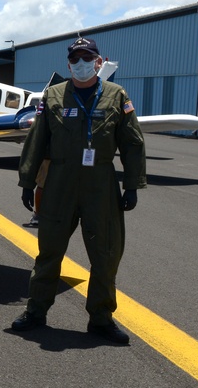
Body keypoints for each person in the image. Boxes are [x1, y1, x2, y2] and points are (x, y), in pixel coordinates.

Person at [11, 37, 145, 345]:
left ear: (98, 62)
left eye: (88, 58)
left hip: (100, 183)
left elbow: (132, 142)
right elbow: (37, 139)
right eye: (76, 59)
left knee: (106, 254)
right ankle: (36, 311)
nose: (81, 64)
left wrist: (133, 184)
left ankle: (100, 318)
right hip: (60, 182)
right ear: (69, 64)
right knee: (49, 251)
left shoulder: (116, 95)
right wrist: (28, 181)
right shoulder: (53, 96)